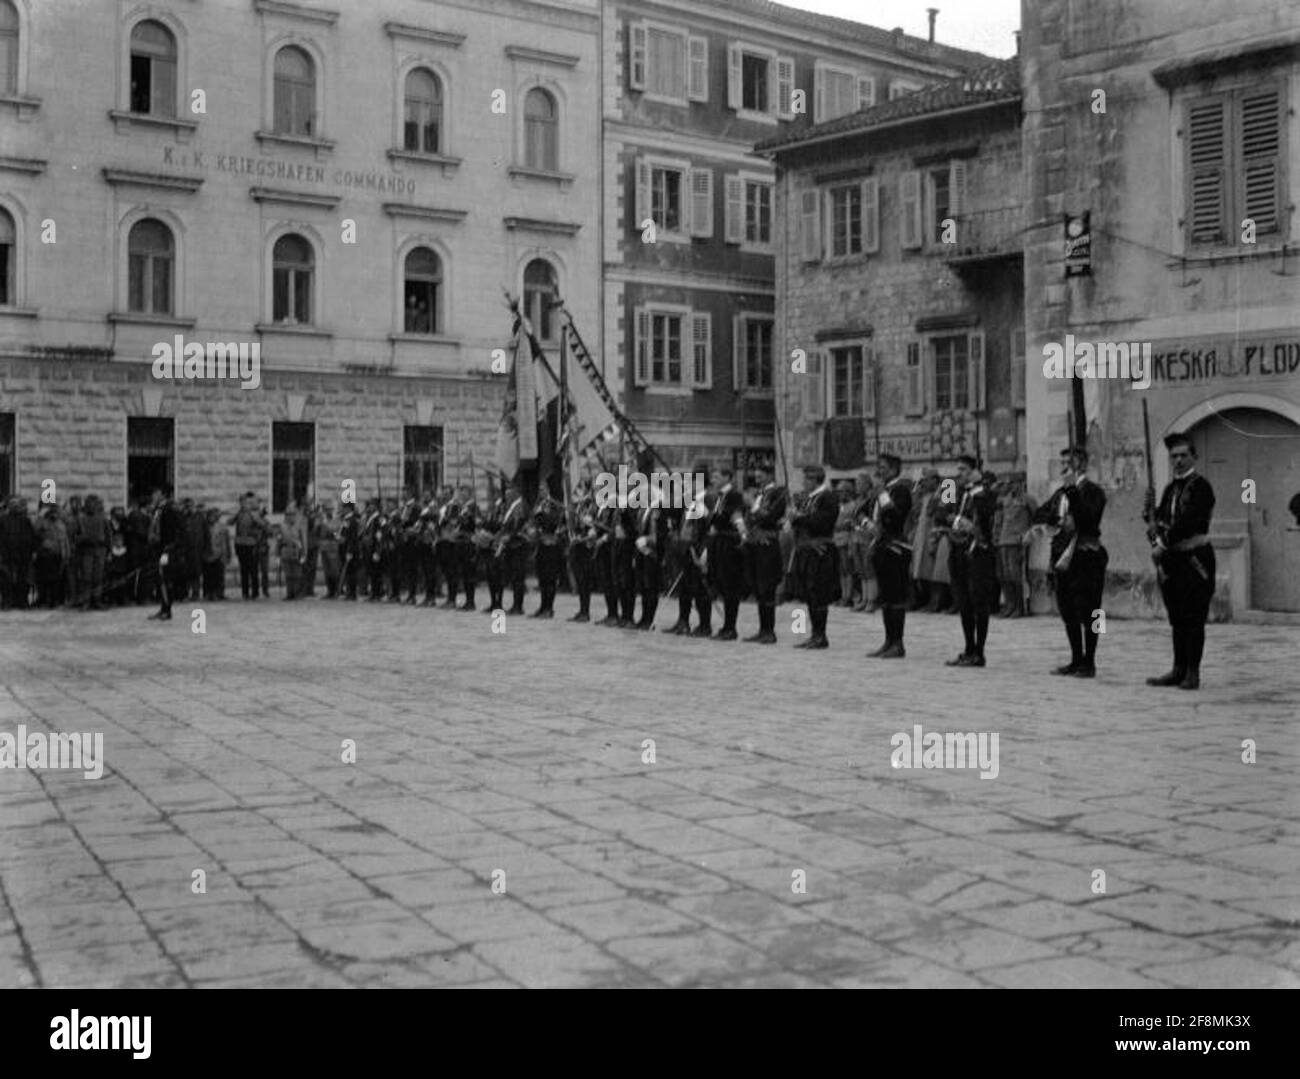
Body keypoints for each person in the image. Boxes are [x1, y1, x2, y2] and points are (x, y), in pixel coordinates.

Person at [1145, 432, 1216, 690]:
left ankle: (1193, 672)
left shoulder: (1201, 487)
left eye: (1183, 455)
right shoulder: (1169, 489)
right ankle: (1178, 668)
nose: (1178, 461)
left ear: (1194, 457)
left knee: (1194, 616)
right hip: (1172, 562)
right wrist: (1150, 516)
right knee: (1176, 616)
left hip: (1195, 559)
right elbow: (1163, 521)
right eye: (1174, 456)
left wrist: (1163, 542)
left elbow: (1188, 523)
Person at [1034, 447, 1108, 678]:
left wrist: (1073, 494)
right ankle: (1076, 658)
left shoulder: (1093, 491)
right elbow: (1040, 513)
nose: (1064, 466)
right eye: (1062, 461)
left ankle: (1091, 660)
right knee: (1068, 610)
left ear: (1082, 465)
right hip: (1064, 559)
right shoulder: (1060, 493)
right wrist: (1058, 520)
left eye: (1069, 462)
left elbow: (1089, 520)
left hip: (1088, 557)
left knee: (1094, 612)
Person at [944, 460, 998, 667]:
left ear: (976, 471)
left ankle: (979, 652)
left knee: (979, 603)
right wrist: (956, 521)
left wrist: (979, 487)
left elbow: (986, 514)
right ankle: (969, 648)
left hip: (978, 554)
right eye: (958, 470)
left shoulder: (985, 493)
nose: (959, 474)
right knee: (964, 603)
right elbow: (942, 512)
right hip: (959, 551)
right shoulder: (953, 489)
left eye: (964, 470)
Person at [867, 453, 914, 659]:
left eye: (883, 467)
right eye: (878, 467)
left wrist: (882, 494)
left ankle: (898, 642)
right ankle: (888, 640)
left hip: (896, 547)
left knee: (896, 597)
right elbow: (870, 515)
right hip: (881, 546)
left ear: (894, 470)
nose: (879, 471)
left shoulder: (900, 489)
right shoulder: (883, 491)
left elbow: (895, 517)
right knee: (885, 597)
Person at [788, 465, 840, 649]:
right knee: (808, 593)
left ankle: (820, 635)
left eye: (806, 479)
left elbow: (820, 522)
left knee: (818, 593)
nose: (803, 482)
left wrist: (798, 517)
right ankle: (812, 633)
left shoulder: (827, 497)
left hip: (820, 549)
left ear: (814, 479)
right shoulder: (808, 498)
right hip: (805, 549)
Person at [742, 463, 787, 644]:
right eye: (756, 477)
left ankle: (769, 631)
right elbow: (752, 518)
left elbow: (768, 518)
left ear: (770, 475)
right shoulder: (761, 494)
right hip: (755, 544)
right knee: (759, 589)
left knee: (767, 588)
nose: (757, 480)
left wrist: (753, 506)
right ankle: (762, 629)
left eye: (760, 477)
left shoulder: (777, 494)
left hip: (768, 544)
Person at [706, 468, 746, 640]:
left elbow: (726, 517)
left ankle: (730, 627)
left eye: (717, 476)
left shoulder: (733, 495)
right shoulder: (719, 496)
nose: (713, 479)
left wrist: (712, 515)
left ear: (727, 477)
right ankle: (726, 626)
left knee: (730, 586)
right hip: (719, 541)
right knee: (721, 583)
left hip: (729, 542)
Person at [995, 474, 1035, 618]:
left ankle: (1020, 607)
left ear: (1021, 483)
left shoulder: (1028, 499)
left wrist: (1028, 534)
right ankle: (1010, 604)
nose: (1010, 486)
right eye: (1009, 483)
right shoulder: (1006, 499)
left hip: (1017, 541)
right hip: (1004, 540)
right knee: (1005, 575)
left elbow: (1036, 517)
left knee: (1016, 575)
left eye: (1013, 482)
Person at [148, 486, 186, 621]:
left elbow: (178, 532)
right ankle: (163, 607)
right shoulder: (158, 510)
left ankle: (167, 609)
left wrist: (169, 549)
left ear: (163, 494)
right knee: (160, 579)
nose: (153, 496)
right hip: (158, 548)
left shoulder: (171, 510)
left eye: (155, 493)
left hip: (167, 550)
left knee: (166, 579)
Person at [531, 488, 565, 619]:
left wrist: (541, 513)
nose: (542, 494)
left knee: (550, 580)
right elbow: (536, 525)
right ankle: (542, 606)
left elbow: (552, 524)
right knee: (542, 579)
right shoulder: (538, 509)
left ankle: (549, 608)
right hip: (541, 547)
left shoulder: (555, 508)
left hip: (552, 548)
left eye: (544, 492)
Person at [496, 482, 529, 615]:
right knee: (513, 577)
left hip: (519, 546)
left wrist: (510, 536)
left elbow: (520, 527)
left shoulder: (520, 506)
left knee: (518, 577)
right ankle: (515, 604)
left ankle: (518, 606)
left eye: (510, 489)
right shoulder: (510, 507)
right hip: (511, 546)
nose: (507, 493)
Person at [566, 482, 597, 623]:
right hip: (577, 547)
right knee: (579, 581)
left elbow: (593, 528)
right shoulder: (579, 507)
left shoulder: (592, 507)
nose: (577, 494)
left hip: (586, 548)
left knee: (585, 581)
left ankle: (586, 611)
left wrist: (583, 536)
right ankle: (582, 610)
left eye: (580, 491)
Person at [0, 497, 37, 609]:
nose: (15, 507)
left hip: (23, 555)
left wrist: (33, 551)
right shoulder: (2, 520)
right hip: (7, 555)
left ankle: (21, 601)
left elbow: (32, 537)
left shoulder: (25, 521)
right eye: (13, 504)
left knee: (23, 580)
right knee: (6, 580)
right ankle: (7, 601)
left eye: (17, 505)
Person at [77, 494, 111, 611]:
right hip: (86, 551)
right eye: (89, 503)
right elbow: (75, 536)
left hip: (100, 550)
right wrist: (82, 539)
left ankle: (97, 600)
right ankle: (86, 601)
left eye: (93, 503)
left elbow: (108, 535)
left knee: (98, 577)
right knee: (86, 577)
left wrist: (109, 551)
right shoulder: (81, 519)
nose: (91, 506)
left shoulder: (103, 519)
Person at [34, 505, 69, 609]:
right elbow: (36, 531)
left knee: (55, 580)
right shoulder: (43, 522)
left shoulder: (61, 524)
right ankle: (43, 600)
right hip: (45, 554)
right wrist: (40, 516)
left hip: (56, 555)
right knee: (43, 580)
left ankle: (54, 601)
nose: (54, 515)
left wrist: (66, 553)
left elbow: (64, 540)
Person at [452, 484, 479, 611]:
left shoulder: (472, 507)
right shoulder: (461, 508)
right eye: (460, 492)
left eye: (463, 492)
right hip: (461, 543)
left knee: (469, 573)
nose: (461, 495)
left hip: (469, 543)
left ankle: (471, 601)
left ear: (469, 493)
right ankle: (467, 600)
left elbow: (474, 524)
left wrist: (468, 518)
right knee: (464, 573)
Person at [279, 502, 307, 600]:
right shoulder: (282, 526)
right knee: (288, 574)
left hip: (297, 551)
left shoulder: (299, 526)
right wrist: (277, 554)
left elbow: (304, 540)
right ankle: (289, 593)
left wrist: (304, 554)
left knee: (297, 574)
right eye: (287, 515)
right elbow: (279, 540)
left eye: (292, 514)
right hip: (286, 551)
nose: (289, 517)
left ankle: (296, 593)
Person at [318, 505, 341, 599]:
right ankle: (329, 590)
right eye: (326, 510)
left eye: (329, 510)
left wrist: (327, 527)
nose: (328, 512)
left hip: (333, 547)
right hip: (324, 547)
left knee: (334, 570)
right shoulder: (323, 521)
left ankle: (336, 590)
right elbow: (320, 533)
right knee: (327, 570)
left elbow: (336, 532)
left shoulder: (337, 521)